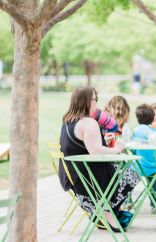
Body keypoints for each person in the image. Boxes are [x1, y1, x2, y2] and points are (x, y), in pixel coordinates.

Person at [58, 87, 139, 231]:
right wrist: (116, 149)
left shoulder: (67, 122)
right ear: (88, 102)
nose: (97, 104)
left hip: (76, 181)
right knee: (132, 175)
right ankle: (106, 209)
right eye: (95, 100)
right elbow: (95, 152)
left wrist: (104, 143)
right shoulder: (89, 122)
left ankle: (105, 211)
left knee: (123, 172)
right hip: (94, 183)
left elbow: (83, 147)